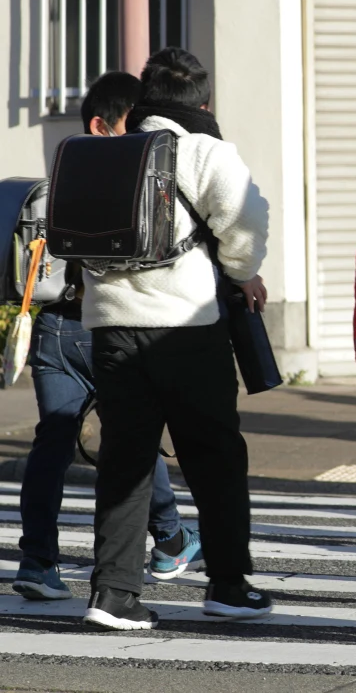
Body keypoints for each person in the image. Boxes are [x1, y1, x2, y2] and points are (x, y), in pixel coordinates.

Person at [81, 49, 270, 630]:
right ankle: (229, 586)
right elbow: (246, 223)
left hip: (111, 327)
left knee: (125, 461)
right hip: (186, 329)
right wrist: (242, 273)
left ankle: (112, 595)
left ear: (143, 100)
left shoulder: (109, 150)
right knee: (214, 456)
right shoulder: (205, 151)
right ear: (203, 102)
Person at [12, 72, 202, 603]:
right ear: (102, 125)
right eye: (131, 124)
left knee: (52, 443)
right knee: (131, 436)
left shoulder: (57, 176)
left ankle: (36, 562)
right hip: (101, 325)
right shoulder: (115, 178)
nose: (141, 134)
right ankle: (169, 538)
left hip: (52, 328)